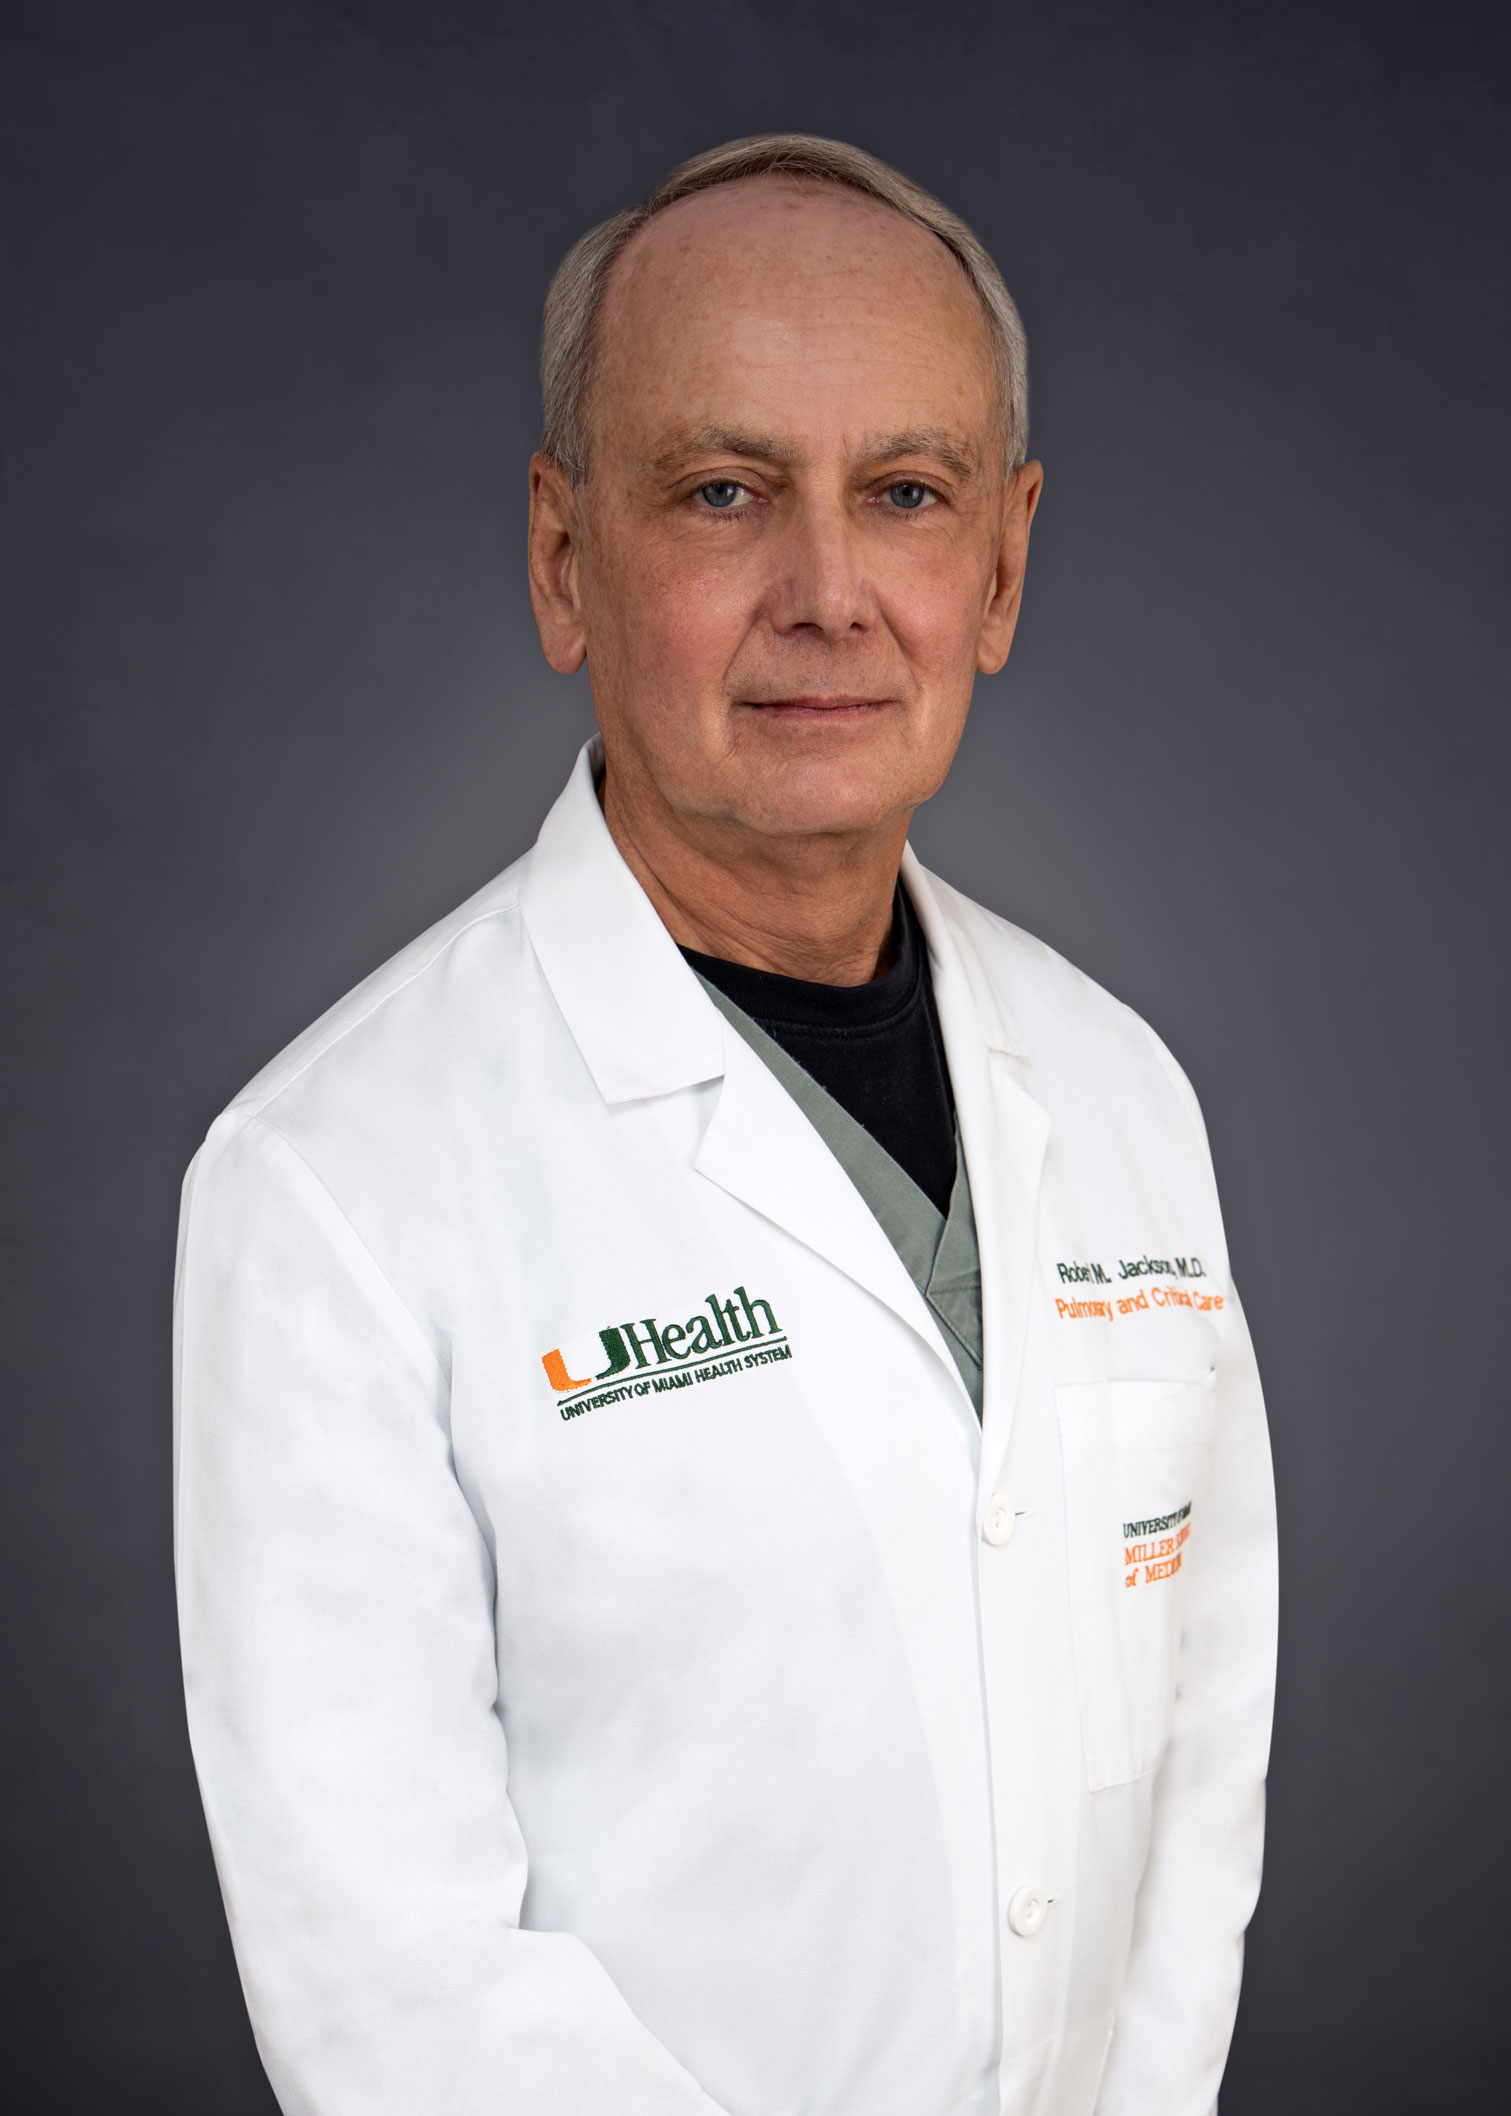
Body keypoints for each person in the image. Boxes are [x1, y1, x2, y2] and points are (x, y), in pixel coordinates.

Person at [174, 134, 1277, 2116]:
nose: (829, 596)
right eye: (722, 492)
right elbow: (397, 1987)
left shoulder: (1119, 1088)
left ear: (1003, 566)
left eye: (908, 494)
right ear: (563, 557)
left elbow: (1201, 1755)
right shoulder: (333, 1184)